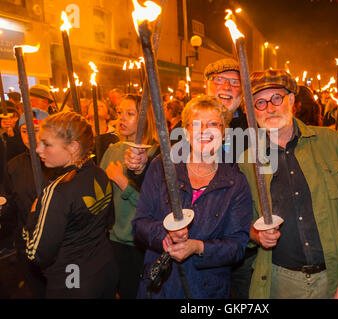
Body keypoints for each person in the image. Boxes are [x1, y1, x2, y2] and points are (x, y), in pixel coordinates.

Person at [240, 69, 338, 299]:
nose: (269, 108)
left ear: (291, 100)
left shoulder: (329, 142)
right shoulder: (247, 161)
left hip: (333, 277)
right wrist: (256, 234)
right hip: (278, 282)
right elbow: (244, 224)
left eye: (276, 98)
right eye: (260, 103)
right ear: (251, 112)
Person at [133, 95, 253, 298]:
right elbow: (139, 224)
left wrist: (198, 247)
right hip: (161, 287)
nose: (204, 130)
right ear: (186, 132)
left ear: (224, 133)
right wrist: (165, 235)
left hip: (206, 290)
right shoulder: (162, 167)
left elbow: (237, 245)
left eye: (213, 124)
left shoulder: (235, 182)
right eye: (196, 124)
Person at [25, 112, 118, 298]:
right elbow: (109, 221)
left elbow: (36, 253)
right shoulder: (99, 174)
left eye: (47, 144)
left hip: (71, 282)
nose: (38, 150)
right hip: (103, 270)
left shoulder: (58, 191)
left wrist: (34, 213)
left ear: (73, 147)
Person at [100, 94, 158, 299]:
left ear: (146, 117)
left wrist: (122, 182)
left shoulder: (155, 154)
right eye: (119, 113)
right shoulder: (112, 150)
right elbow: (101, 195)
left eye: (130, 113)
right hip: (114, 237)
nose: (121, 118)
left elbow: (154, 203)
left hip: (141, 240)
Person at [2, 109, 54, 297]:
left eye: (37, 129)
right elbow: (11, 204)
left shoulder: (58, 162)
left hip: (58, 247)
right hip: (27, 244)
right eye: (25, 130)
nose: (31, 136)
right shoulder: (13, 166)